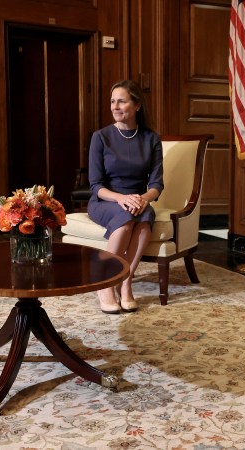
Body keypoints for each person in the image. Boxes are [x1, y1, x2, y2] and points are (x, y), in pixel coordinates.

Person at [88, 80, 164, 314]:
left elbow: (157, 184)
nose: (115, 106)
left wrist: (143, 199)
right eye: (112, 101)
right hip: (106, 200)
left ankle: (126, 282)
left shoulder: (151, 139)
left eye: (122, 101)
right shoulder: (101, 137)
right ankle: (105, 283)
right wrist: (121, 199)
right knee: (126, 218)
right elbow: (95, 185)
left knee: (144, 219)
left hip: (138, 200)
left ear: (137, 105)